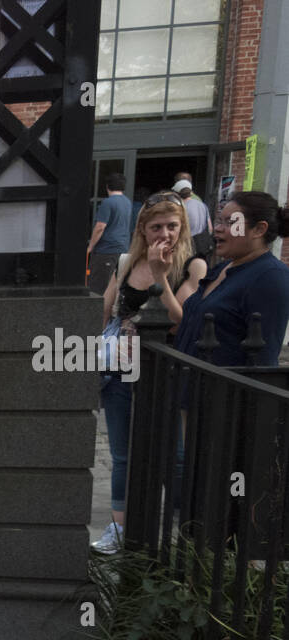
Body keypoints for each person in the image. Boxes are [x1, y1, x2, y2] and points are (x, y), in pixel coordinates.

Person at [93, 192, 207, 554]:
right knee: (123, 454)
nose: (165, 234)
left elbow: (181, 318)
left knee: (172, 453)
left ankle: (183, 532)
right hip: (120, 369)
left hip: (164, 372)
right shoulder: (126, 262)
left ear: (182, 227)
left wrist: (161, 275)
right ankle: (119, 528)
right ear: (142, 228)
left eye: (172, 226)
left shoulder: (193, 265)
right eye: (156, 226)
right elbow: (106, 310)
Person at [172, 190, 289, 368]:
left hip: (218, 391)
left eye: (231, 222)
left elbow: (263, 361)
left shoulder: (271, 276)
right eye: (219, 220)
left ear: (259, 229)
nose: (218, 228)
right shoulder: (222, 268)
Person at [86, 173, 132, 295]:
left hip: (106, 249)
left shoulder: (108, 203)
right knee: (115, 286)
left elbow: (100, 226)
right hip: (123, 248)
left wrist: (90, 247)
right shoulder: (127, 202)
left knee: (98, 286)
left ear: (107, 186)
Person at [173, 173, 213, 259]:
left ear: (177, 193)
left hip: (185, 247)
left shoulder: (179, 208)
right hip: (202, 247)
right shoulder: (202, 205)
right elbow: (210, 228)